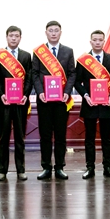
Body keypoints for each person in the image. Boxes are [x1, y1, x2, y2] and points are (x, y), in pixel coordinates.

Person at [74, 30, 110, 179]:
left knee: (106, 138)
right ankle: (90, 168)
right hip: (90, 104)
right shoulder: (83, 60)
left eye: (100, 40)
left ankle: (108, 167)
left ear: (104, 41)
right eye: (94, 40)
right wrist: (86, 95)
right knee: (89, 138)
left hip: (107, 105)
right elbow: (77, 82)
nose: (97, 42)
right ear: (90, 42)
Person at [31, 20, 77, 180]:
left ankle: (59, 167)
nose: (53, 33)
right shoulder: (39, 52)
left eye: (56, 30)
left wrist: (67, 92)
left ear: (60, 33)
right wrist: (40, 92)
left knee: (60, 135)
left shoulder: (68, 51)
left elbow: (72, 73)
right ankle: (46, 167)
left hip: (61, 100)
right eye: (50, 30)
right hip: (44, 100)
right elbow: (34, 73)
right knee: (45, 135)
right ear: (46, 33)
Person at [0, 26, 33, 182]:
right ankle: (2, 171)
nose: (14, 38)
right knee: (3, 137)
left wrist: (25, 95)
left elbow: (29, 78)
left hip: (20, 103)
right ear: (7, 37)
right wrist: (1, 94)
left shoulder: (26, 56)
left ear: (20, 38)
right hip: (4, 102)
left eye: (16, 36)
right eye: (11, 36)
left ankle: (21, 170)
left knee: (19, 137)